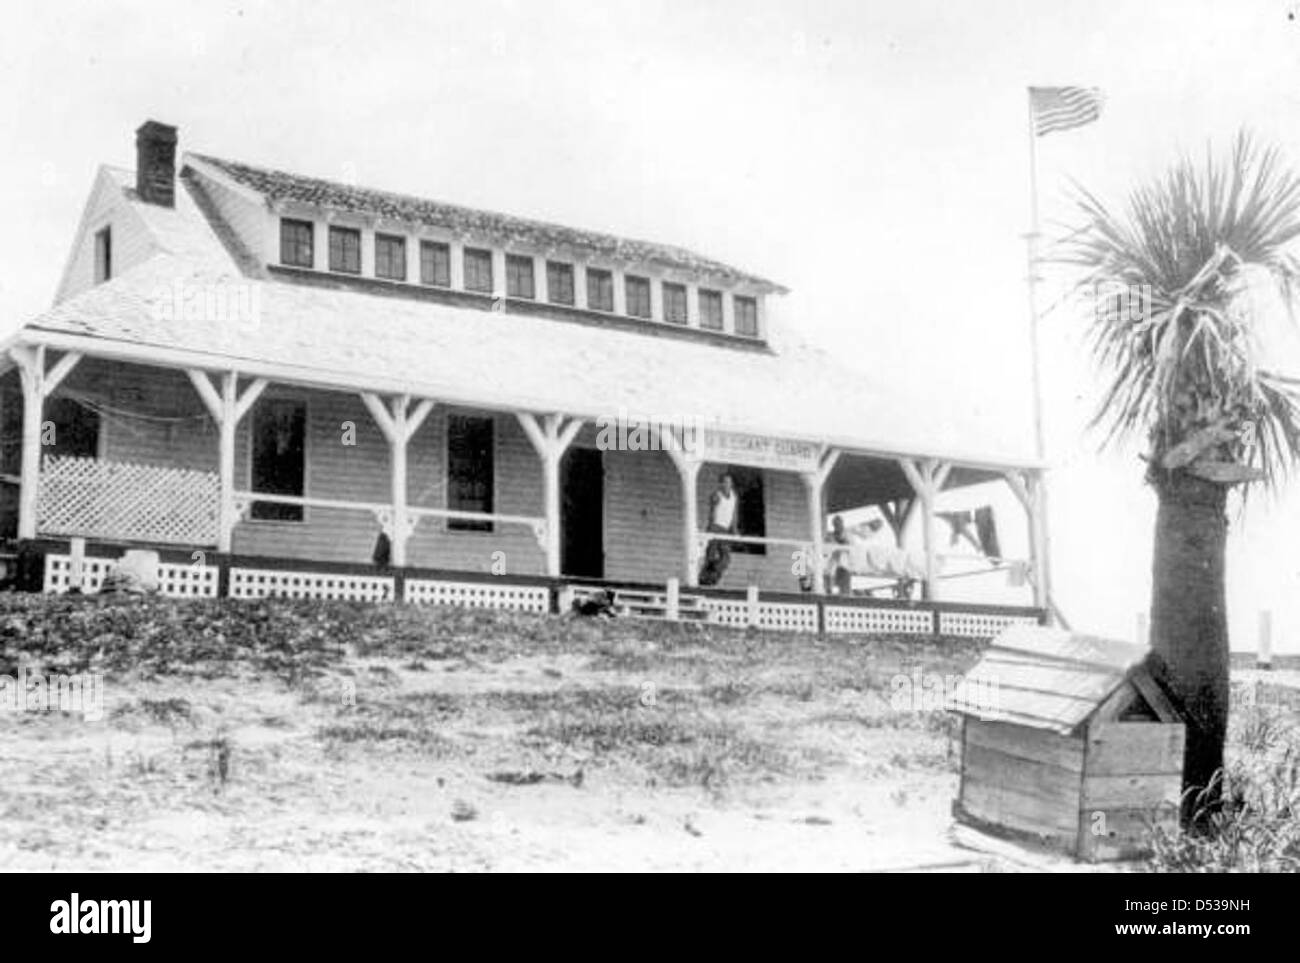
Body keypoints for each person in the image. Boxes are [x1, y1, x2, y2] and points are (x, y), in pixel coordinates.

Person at [698, 472, 739, 586]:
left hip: (725, 529)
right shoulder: (716, 495)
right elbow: (712, 514)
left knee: (725, 558)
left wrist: (734, 530)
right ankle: (703, 579)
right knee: (710, 556)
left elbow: (733, 514)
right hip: (715, 527)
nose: (727, 484)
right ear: (720, 484)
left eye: (729, 482)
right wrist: (709, 530)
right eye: (725, 482)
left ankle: (713, 578)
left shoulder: (734, 496)